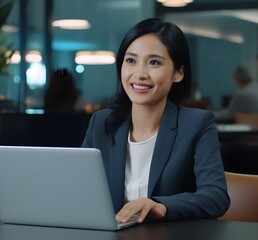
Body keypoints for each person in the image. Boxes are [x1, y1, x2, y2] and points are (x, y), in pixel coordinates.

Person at [81, 18, 230, 224]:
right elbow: (78, 188)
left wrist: (161, 205)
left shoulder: (197, 124)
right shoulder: (102, 123)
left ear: (178, 73)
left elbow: (216, 197)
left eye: (154, 62)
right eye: (131, 61)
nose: (140, 74)